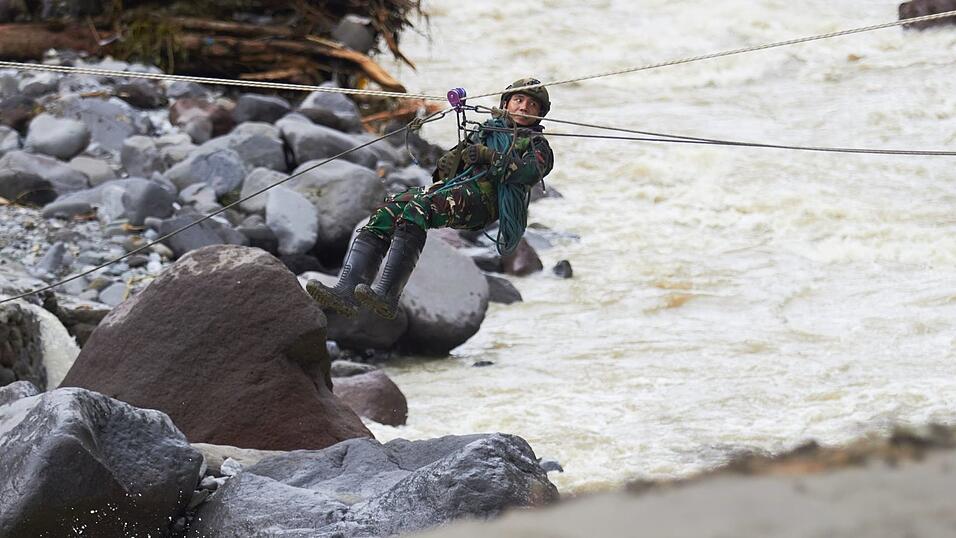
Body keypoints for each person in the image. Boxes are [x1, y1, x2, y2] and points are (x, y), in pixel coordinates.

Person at [307, 77, 555, 320]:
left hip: (484, 204)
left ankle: (387, 295)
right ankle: (346, 291)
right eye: (518, 100)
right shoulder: (484, 132)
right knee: (389, 209)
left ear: (540, 114)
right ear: (505, 103)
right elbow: (446, 172)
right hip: (459, 191)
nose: (524, 107)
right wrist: (455, 159)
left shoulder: (537, 146)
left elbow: (527, 173)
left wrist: (489, 156)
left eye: (532, 104)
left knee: (419, 208)